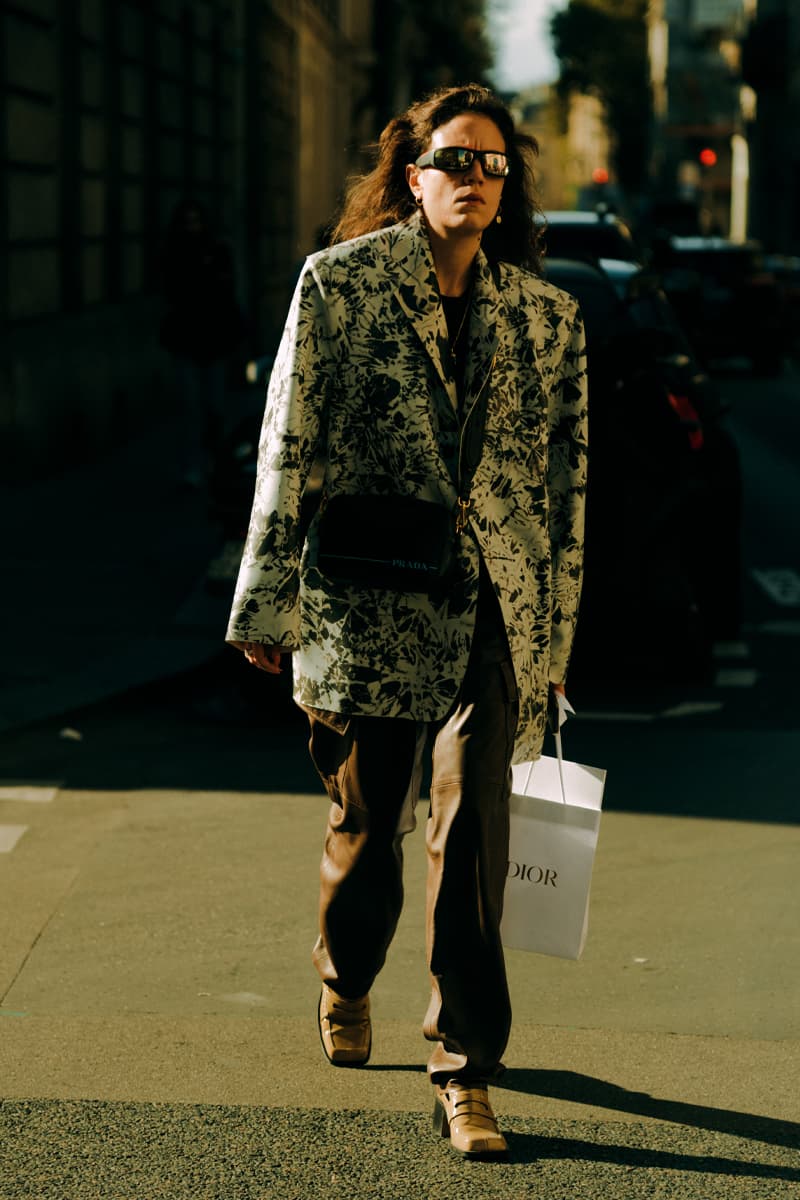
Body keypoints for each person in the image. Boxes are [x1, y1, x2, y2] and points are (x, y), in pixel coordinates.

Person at [226, 83, 588, 1159]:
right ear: (409, 171)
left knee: (472, 842)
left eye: (492, 165)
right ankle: (344, 972)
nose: (474, 180)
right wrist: (266, 598)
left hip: (489, 609)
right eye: (453, 160)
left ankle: (464, 1070)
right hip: (366, 602)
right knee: (365, 833)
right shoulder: (337, 287)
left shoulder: (545, 313)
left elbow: (561, 487)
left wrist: (552, 637)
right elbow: (289, 440)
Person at [159, 199, 245, 488]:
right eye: (188, 222)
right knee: (191, 407)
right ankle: (195, 464)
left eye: (197, 220)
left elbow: (226, 291)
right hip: (186, 339)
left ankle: (213, 460)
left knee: (214, 406)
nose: (193, 227)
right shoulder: (175, 252)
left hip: (213, 339)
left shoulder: (217, 250)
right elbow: (173, 291)